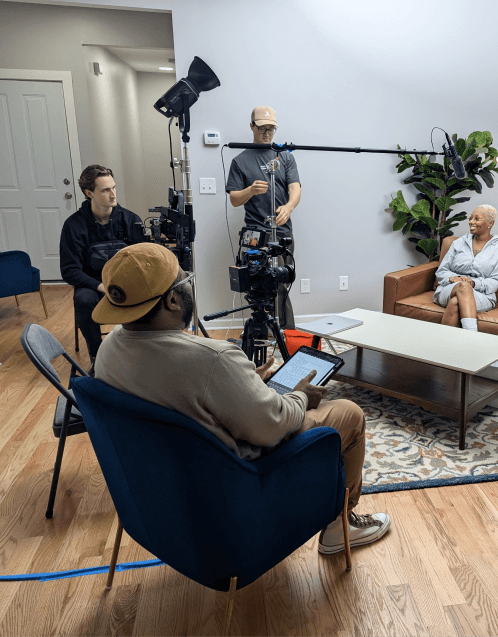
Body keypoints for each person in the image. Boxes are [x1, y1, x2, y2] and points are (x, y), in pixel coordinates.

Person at [91, 243, 391, 554]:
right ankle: (339, 527)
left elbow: (180, 396)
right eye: (184, 280)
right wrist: (301, 396)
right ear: (172, 300)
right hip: (235, 486)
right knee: (349, 412)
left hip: (163, 492)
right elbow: (272, 427)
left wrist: (242, 385)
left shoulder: (108, 350)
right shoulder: (212, 359)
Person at [226, 106, 301, 329]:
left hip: (282, 232)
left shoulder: (285, 156)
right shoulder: (240, 161)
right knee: (258, 286)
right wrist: (250, 190)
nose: (267, 134)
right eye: (262, 129)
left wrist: (288, 207)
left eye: (271, 129)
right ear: (252, 126)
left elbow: (295, 188)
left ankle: (285, 333)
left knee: (281, 284)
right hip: (256, 235)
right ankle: (261, 333)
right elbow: (234, 199)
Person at [59, 165, 143, 364]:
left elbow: (143, 259)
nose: (113, 194)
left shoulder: (131, 220)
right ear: (89, 193)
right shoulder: (73, 225)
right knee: (83, 299)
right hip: (93, 285)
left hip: (126, 282)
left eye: (114, 187)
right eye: (105, 190)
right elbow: (69, 270)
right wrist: (100, 286)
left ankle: (140, 354)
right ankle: (98, 358)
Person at [434, 205, 498, 330]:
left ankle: (445, 342)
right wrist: (453, 278)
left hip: (482, 296)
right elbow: (442, 271)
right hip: (449, 289)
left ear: (490, 223)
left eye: (476, 219)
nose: (471, 222)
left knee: (455, 302)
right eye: (470, 218)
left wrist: (473, 283)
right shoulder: (459, 243)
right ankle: (472, 334)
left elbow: (495, 281)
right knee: (463, 287)